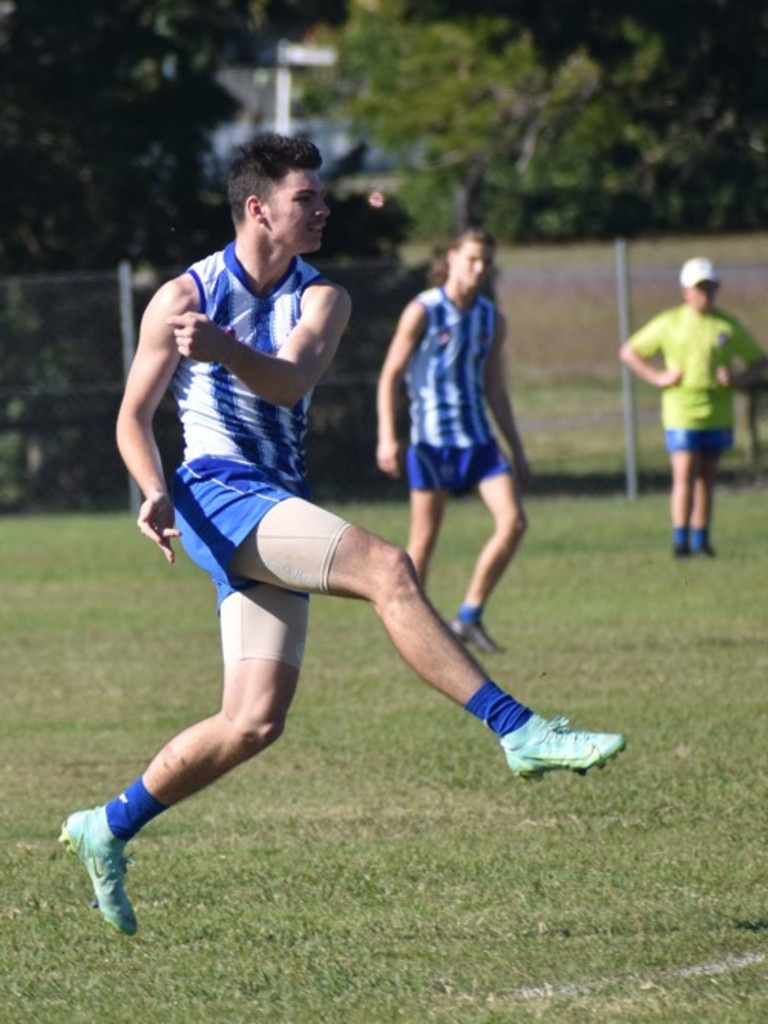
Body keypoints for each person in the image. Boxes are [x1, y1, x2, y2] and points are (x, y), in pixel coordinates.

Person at [59, 134, 625, 936]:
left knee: (253, 721)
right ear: (259, 209)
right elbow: (131, 419)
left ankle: (106, 825)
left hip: (274, 495)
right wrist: (154, 490)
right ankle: (520, 730)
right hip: (216, 492)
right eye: (307, 199)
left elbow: (289, 382)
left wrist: (222, 348)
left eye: (322, 198)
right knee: (388, 566)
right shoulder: (182, 296)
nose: (324, 210)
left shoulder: (324, 297)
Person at [376, 229, 529, 654]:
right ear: (452, 257)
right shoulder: (422, 310)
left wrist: (517, 448)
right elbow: (389, 376)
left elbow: (494, 387)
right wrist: (388, 438)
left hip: (479, 442)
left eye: (486, 262)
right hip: (431, 444)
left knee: (514, 522)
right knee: (421, 547)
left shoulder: (490, 318)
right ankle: (411, 636)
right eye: (472, 259)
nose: (479, 269)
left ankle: (469, 616)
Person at [620, 257, 768, 557]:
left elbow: (760, 362)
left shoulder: (725, 326)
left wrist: (737, 378)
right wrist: (658, 376)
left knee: (707, 476)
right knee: (684, 471)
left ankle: (702, 539)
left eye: (710, 288)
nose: (706, 294)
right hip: (681, 410)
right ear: (685, 291)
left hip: (717, 410)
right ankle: (680, 539)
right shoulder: (670, 323)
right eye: (700, 288)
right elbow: (630, 351)